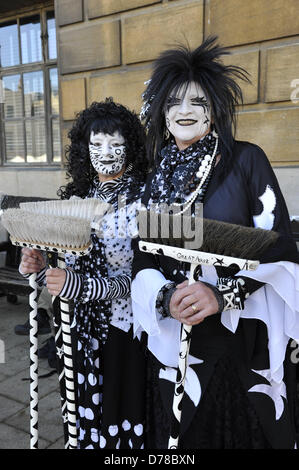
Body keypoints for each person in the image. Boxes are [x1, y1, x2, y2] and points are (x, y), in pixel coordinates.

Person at [131, 36, 299, 449]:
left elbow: (278, 250)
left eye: (197, 101)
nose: (184, 111)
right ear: (161, 112)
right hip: (178, 344)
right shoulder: (157, 177)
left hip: (238, 345)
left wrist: (220, 295)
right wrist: (165, 296)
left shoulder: (246, 160)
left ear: (216, 109)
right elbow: (144, 256)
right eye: (173, 102)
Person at [19, 98, 148, 449]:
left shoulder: (145, 201)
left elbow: (146, 278)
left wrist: (81, 286)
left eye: (115, 144)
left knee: (120, 417)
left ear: (130, 147)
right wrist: (41, 268)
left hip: (123, 332)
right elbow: (65, 269)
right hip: (76, 330)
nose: (105, 153)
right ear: (83, 149)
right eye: (96, 145)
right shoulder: (77, 198)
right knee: (78, 414)